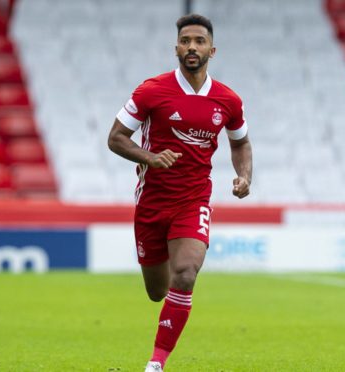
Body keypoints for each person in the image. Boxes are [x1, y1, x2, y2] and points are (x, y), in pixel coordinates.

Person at [107, 13, 253, 372]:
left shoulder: (228, 100)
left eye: (199, 41)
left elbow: (241, 143)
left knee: (186, 272)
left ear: (211, 50)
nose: (192, 47)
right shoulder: (151, 91)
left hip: (193, 200)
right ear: (176, 47)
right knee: (157, 291)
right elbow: (115, 139)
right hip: (152, 204)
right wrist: (150, 158)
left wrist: (244, 176)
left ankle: (156, 363)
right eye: (185, 41)